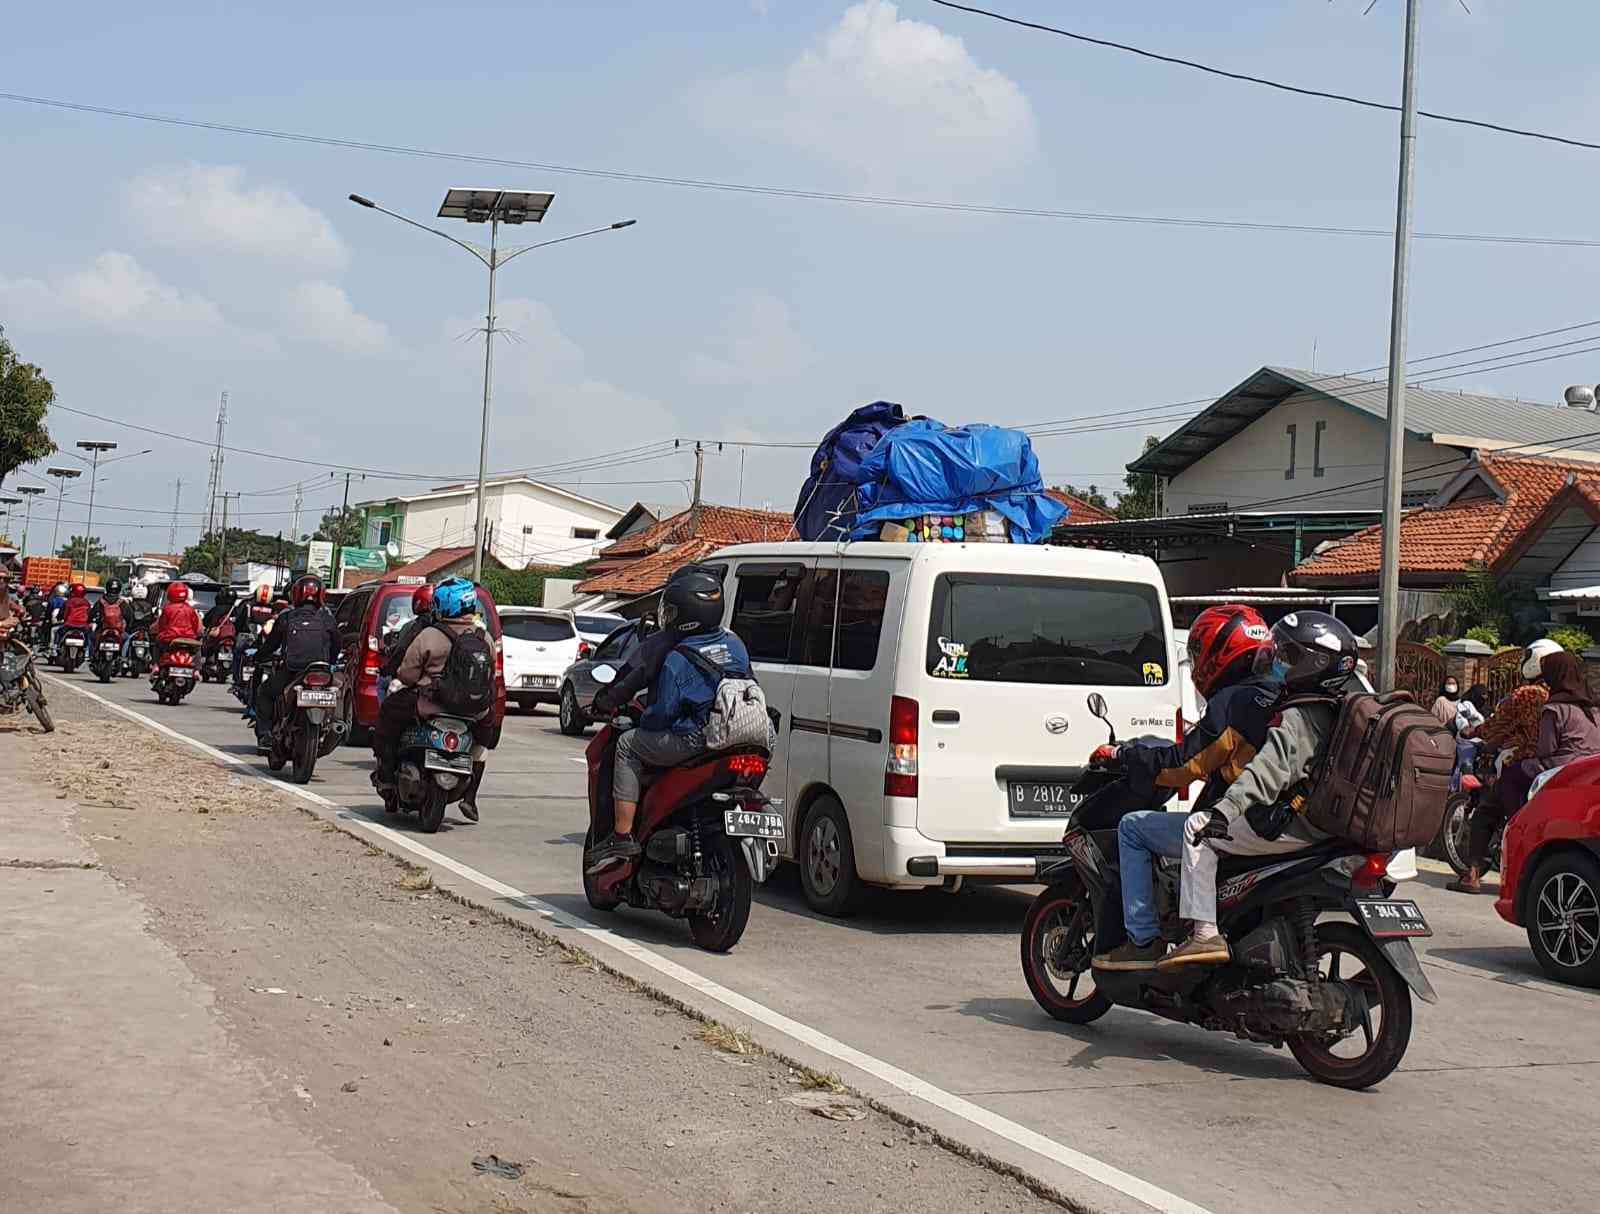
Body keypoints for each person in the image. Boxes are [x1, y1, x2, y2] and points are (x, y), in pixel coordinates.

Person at [1164, 611, 1361, 968]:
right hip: (1332, 826)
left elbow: (1265, 774)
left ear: (1313, 665)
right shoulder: (1342, 710)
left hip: (1299, 828)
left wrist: (1223, 812)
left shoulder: (1297, 717)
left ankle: (1204, 936)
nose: (1277, 662)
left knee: (1197, 831)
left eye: (1289, 657)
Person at [1092, 604, 1281, 970]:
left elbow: (1185, 765)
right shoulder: (1281, 694)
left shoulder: (1234, 702)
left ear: (1217, 652)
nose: (1197, 663)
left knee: (1132, 827)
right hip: (1288, 821)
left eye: (1198, 653)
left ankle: (1144, 940)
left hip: (1246, 822)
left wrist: (1126, 757)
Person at [585, 565, 759, 873]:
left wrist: (640, 720)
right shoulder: (735, 643)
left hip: (697, 738)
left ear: (683, 612)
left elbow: (659, 713)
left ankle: (621, 836)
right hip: (747, 735)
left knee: (627, 746)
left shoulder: (674, 655)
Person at [1450, 647, 1599, 894]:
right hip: (1585, 773)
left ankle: (1475, 873)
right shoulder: (1592, 705)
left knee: (1490, 804)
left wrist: (1475, 734)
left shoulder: (1538, 699)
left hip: (1548, 768)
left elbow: (1539, 747)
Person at [372, 577, 494, 816]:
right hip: (473, 711)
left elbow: (407, 674)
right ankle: (470, 798)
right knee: (482, 744)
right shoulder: (485, 637)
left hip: (429, 705)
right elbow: (490, 676)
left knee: (387, 713)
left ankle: (386, 776)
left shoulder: (429, 635)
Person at [252, 575, 339, 748]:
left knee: (265, 693)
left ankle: (265, 734)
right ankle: (333, 728)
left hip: (292, 671)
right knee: (338, 692)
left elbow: (271, 644)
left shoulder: (287, 617)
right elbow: (337, 643)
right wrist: (331, 662)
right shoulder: (327, 618)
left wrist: (258, 657)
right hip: (320, 672)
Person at [152, 581, 202, 661]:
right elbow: (196, 626)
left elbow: (161, 625)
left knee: (157, 643)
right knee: (198, 648)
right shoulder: (191, 609)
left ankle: (155, 665)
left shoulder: (167, 609)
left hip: (169, 638)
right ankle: (197, 670)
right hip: (189, 638)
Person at [90, 579, 128, 651]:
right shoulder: (122, 603)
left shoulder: (101, 601)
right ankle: (124, 658)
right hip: (118, 631)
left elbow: (91, 614)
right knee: (127, 639)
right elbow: (130, 617)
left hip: (102, 629)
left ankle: (91, 656)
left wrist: (89, 620)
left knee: (91, 637)